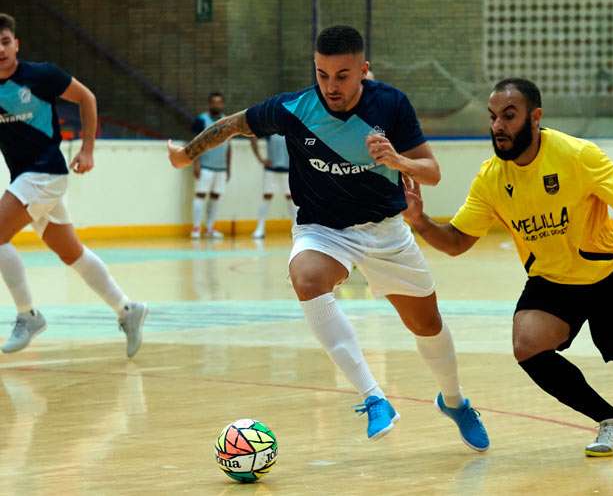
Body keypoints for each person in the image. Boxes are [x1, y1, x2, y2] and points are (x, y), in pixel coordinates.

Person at [168, 25, 489, 450]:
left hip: (386, 232)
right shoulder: (294, 108)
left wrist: (397, 160)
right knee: (306, 278)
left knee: (427, 325)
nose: (330, 86)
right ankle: (373, 396)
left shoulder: (390, 104)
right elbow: (234, 124)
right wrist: (186, 154)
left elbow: (432, 171)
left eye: (342, 75)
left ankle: (454, 401)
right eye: (322, 74)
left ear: (363, 70)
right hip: (324, 230)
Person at [402, 77, 613, 457]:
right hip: (551, 281)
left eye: (509, 116)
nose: (498, 126)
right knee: (527, 345)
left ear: (535, 117)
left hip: (607, 279)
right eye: (494, 116)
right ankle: (612, 420)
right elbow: (457, 242)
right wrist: (420, 221)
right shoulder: (491, 179)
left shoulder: (577, 155)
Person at [0, 13, 147, 356]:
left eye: (5, 42)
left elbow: (87, 98)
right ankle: (128, 309)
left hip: (46, 171)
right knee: (72, 254)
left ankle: (28, 315)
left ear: (16, 44)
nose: (1, 50)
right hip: (25, 179)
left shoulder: (42, 75)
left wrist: (88, 149)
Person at [190, 92, 231, 239]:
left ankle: (209, 228)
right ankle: (196, 228)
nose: (217, 105)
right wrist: (196, 163)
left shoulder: (227, 120)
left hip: (220, 167)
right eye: (214, 102)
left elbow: (228, 145)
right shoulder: (201, 120)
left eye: (219, 102)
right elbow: (194, 142)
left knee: (215, 197)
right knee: (200, 195)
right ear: (209, 104)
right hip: (205, 165)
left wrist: (228, 167)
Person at [249, 133, 295, 239]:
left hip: (288, 170)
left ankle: (295, 229)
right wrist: (260, 159)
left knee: (291, 198)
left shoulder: (291, 129)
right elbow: (253, 137)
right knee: (267, 197)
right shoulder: (270, 130)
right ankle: (260, 229)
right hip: (271, 170)